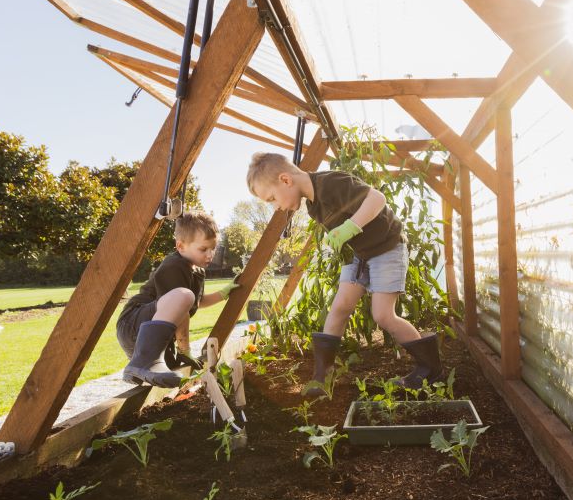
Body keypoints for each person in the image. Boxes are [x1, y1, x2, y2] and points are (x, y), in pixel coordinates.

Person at [246, 152, 443, 397]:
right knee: (340, 308)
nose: (276, 207)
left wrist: (349, 227)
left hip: (387, 247)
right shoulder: (313, 206)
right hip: (361, 255)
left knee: (383, 314)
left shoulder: (330, 183)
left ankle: (430, 369)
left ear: (286, 180)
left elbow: (377, 199)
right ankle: (323, 377)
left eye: (272, 199)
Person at [116, 210, 237, 387]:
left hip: (150, 332)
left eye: (213, 248)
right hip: (134, 324)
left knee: (171, 373)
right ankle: (143, 361)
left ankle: (140, 367)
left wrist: (224, 293)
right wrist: (184, 349)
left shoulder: (196, 270)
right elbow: (182, 306)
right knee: (184, 296)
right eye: (203, 249)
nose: (210, 254)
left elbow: (197, 302)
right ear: (181, 246)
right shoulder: (175, 265)